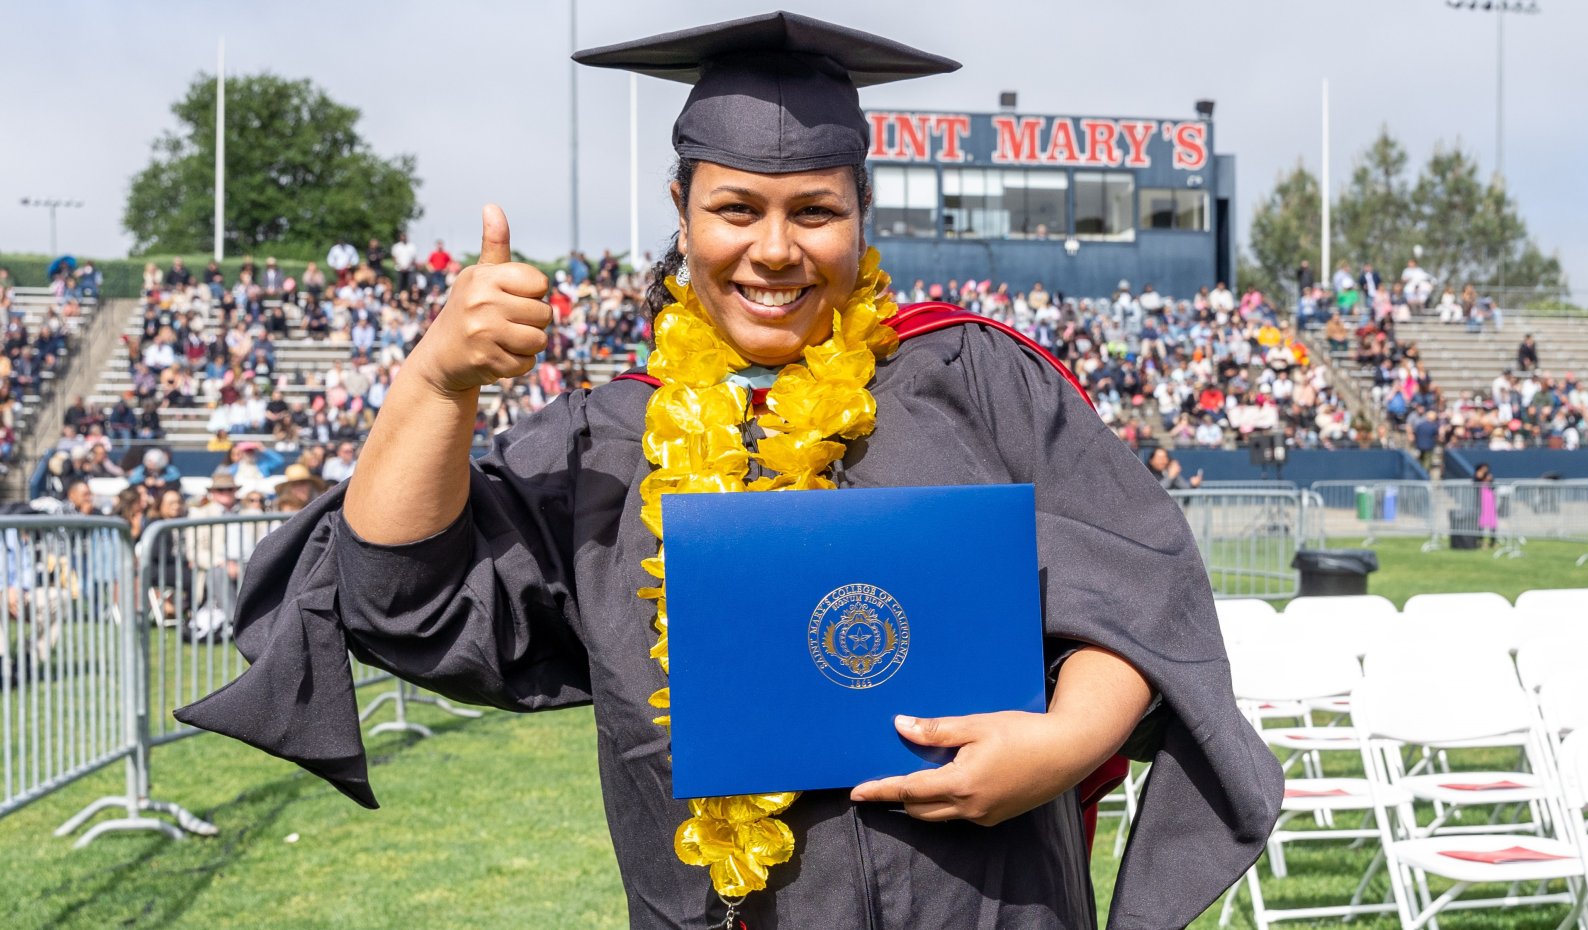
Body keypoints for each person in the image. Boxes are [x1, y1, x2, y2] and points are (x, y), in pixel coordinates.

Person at [176, 13, 1279, 930]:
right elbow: (398, 590)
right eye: (735, 209)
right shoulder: (607, 443)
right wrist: (436, 382)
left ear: (860, 213)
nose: (774, 249)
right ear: (682, 212)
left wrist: (1065, 742)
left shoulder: (972, 379)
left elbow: (1134, 593)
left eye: (814, 212)